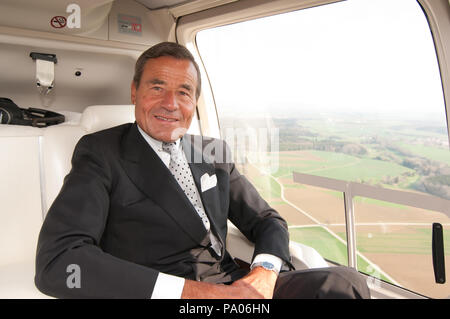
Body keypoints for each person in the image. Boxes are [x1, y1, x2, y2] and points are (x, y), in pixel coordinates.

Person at [35, 42, 370, 299]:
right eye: (157, 87)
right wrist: (199, 295)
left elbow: (267, 220)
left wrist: (264, 273)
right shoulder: (102, 154)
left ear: (194, 102)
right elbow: (59, 261)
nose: (171, 103)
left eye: (184, 92)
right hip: (171, 294)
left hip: (238, 288)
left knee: (344, 282)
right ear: (134, 92)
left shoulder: (212, 152)